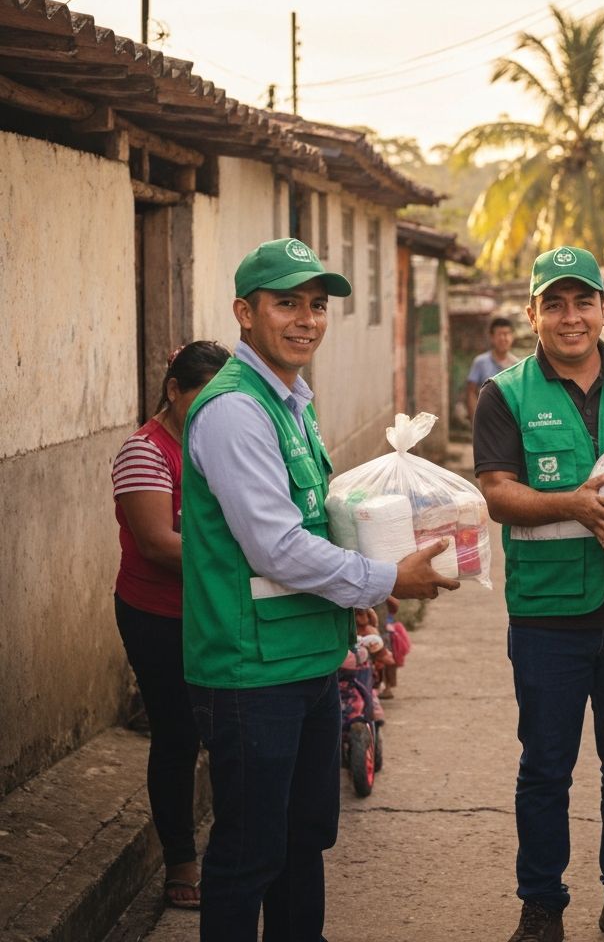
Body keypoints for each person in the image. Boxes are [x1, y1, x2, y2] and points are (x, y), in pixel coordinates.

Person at [180, 237, 460, 942]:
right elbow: (275, 546)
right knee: (249, 854)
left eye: (317, 304)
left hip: (305, 660)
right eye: (286, 303)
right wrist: (389, 574)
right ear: (246, 313)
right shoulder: (236, 410)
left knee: (305, 841)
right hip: (250, 671)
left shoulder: (292, 401)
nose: (305, 319)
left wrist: (379, 556)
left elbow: (317, 519)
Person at [473, 245, 604, 942]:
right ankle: (541, 907)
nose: (571, 317)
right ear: (531, 313)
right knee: (545, 769)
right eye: (554, 304)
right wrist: (575, 505)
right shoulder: (505, 393)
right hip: (547, 615)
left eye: (583, 301)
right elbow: (498, 493)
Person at [112, 340, 230, 910]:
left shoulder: (219, 446)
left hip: (215, 609)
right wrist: (249, 557)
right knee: (178, 736)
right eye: (198, 399)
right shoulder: (145, 452)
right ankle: (181, 862)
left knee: (230, 730)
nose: (209, 412)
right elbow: (159, 545)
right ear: (173, 390)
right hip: (158, 615)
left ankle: (233, 855)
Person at [466, 315, 518, 420]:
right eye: (500, 334)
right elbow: (471, 392)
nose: (504, 338)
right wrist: (475, 420)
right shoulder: (480, 362)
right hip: (485, 419)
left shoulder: (517, 365)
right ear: (492, 337)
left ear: (512, 337)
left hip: (509, 421)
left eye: (507, 334)